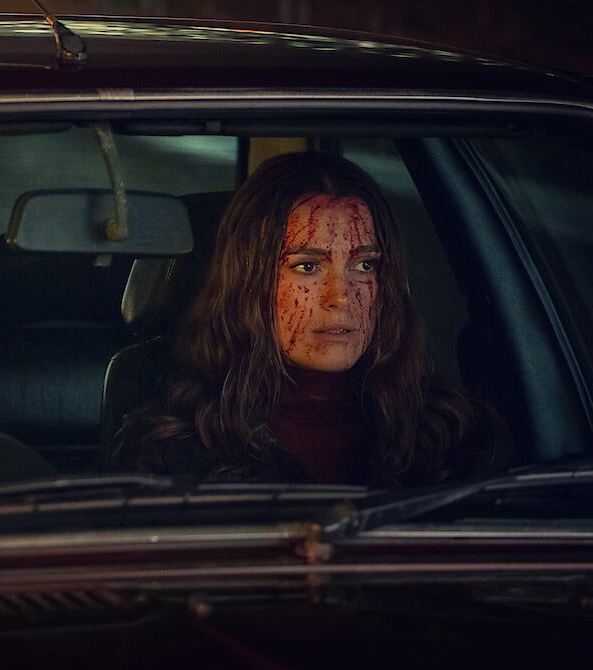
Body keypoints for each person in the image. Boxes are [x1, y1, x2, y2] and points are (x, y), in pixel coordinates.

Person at [113, 151, 514, 488]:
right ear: (248, 283)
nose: (340, 296)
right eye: (307, 266)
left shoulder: (455, 433)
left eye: (365, 265)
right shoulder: (176, 446)